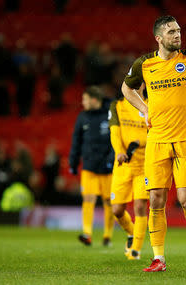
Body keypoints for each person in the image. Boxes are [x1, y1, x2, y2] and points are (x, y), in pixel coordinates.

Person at [121, 15, 186, 272]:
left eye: (179, 30)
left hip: (185, 138)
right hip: (156, 139)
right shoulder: (144, 64)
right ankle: (159, 258)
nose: (177, 35)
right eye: (171, 32)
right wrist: (144, 109)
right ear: (158, 38)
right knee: (156, 199)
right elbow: (126, 88)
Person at [69, 86, 114, 246]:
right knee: (88, 198)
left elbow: (117, 139)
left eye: (85, 99)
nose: (83, 102)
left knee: (109, 201)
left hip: (108, 167)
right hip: (89, 165)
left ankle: (107, 236)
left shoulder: (110, 114)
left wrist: (111, 159)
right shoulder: (82, 117)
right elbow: (76, 141)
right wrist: (73, 162)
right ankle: (87, 233)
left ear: (94, 100)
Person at [108, 84, 149, 260]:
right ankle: (132, 233)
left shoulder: (151, 105)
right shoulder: (117, 106)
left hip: (144, 165)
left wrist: (140, 142)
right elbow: (115, 132)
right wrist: (119, 151)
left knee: (140, 206)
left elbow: (155, 132)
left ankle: (135, 250)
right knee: (117, 210)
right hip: (123, 163)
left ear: (144, 84)